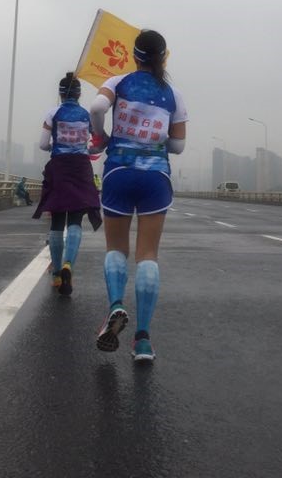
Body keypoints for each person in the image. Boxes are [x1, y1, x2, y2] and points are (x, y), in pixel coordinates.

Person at [89, 29, 188, 362]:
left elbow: (97, 107)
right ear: (163, 58)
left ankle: (116, 306)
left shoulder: (118, 82)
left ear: (134, 55)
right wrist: (155, 139)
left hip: (118, 171)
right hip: (155, 178)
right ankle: (142, 340)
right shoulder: (174, 94)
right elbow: (178, 146)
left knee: (116, 248)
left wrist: (102, 136)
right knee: (147, 254)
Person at [33, 72, 102, 296]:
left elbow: (43, 144)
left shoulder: (53, 113)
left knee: (57, 221)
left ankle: (56, 275)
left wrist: (55, 144)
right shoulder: (87, 115)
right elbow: (97, 143)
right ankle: (68, 264)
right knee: (75, 219)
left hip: (59, 167)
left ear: (61, 94)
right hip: (81, 167)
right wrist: (87, 149)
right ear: (79, 94)